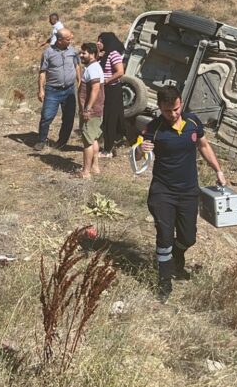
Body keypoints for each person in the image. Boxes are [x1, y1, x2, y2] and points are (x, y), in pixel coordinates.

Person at [136, 86, 227, 303]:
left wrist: (218, 170)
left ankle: (177, 256)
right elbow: (137, 155)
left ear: (181, 103)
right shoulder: (153, 128)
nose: (173, 114)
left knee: (188, 237)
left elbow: (204, 146)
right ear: (160, 107)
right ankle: (164, 281)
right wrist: (141, 150)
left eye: (176, 109)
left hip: (188, 191)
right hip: (163, 192)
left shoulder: (193, 122)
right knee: (165, 236)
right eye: (168, 111)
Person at [36, 27, 79, 151]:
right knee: (46, 117)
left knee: (69, 117)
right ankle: (41, 141)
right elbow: (42, 72)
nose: (70, 41)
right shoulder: (48, 53)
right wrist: (41, 89)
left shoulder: (73, 51)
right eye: (68, 39)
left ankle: (62, 142)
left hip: (69, 90)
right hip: (53, 90)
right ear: (60, 40)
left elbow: (77, 67)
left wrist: (80, 82)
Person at [76, 43, 104, 179]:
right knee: (93, 139)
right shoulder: (92, 67)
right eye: (81, 53)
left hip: (91, 111)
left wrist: (87, 109)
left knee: (87, 142)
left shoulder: (93, 69)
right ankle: (95, 167)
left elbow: (95, 89)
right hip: (94, 110)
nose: (81, 55)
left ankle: (86, 172)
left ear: (92, 54)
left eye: (84, 53)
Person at [97, 32, 126, 158]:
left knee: (110, 119)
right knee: (108, 118)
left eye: (101, 41)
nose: (98, 43)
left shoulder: (114, 54)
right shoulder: (105, 55)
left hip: (112, 90)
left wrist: (106, 81)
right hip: (106, 90)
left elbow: (120, 72)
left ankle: (107, 150)